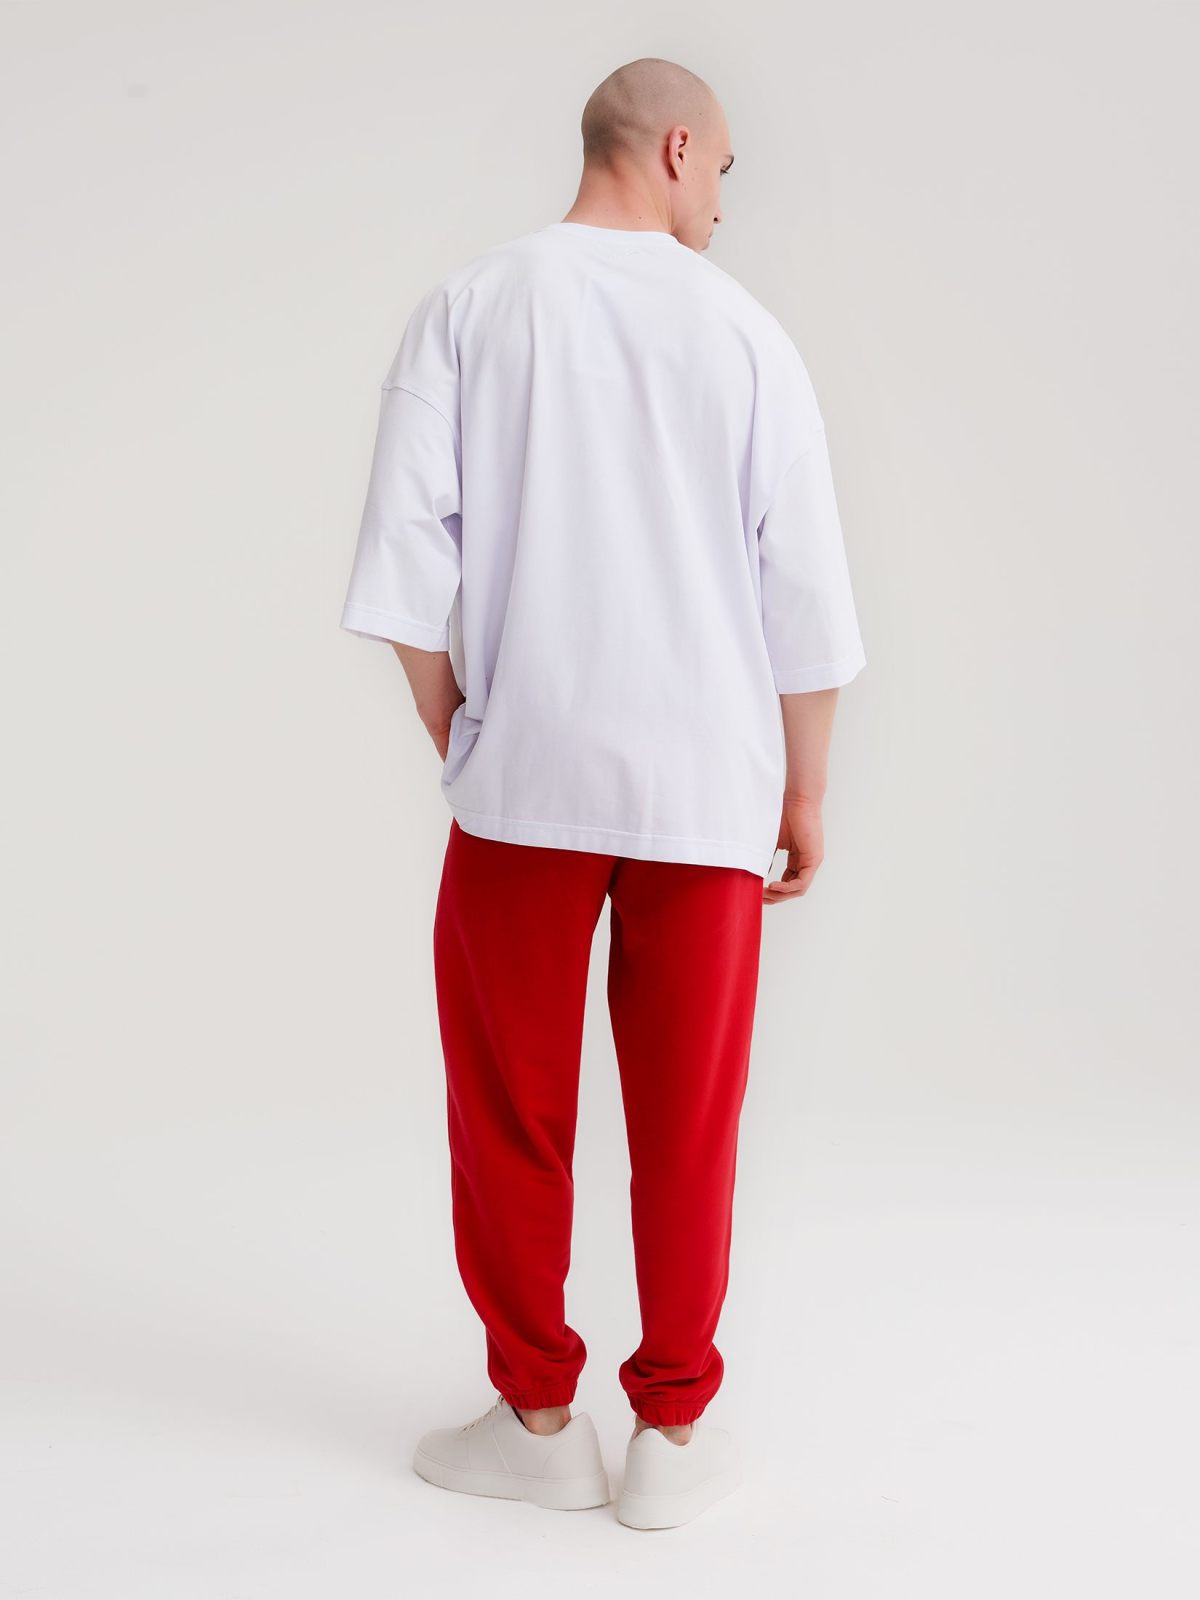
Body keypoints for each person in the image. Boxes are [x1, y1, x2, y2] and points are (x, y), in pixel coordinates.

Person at [339, 57, 866, 1529]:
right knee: (689, 1122)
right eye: (726, 171)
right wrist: (805, 792)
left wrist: (458, 722)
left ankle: (537, 1417)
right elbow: (807, 600)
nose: (724, 204)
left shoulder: (470, 308)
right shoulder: (749, 338)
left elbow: (406, 564)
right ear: (679, 147)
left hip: (524, 785)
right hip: (707, 796)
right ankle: (672, 1437)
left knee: (510, 1110)